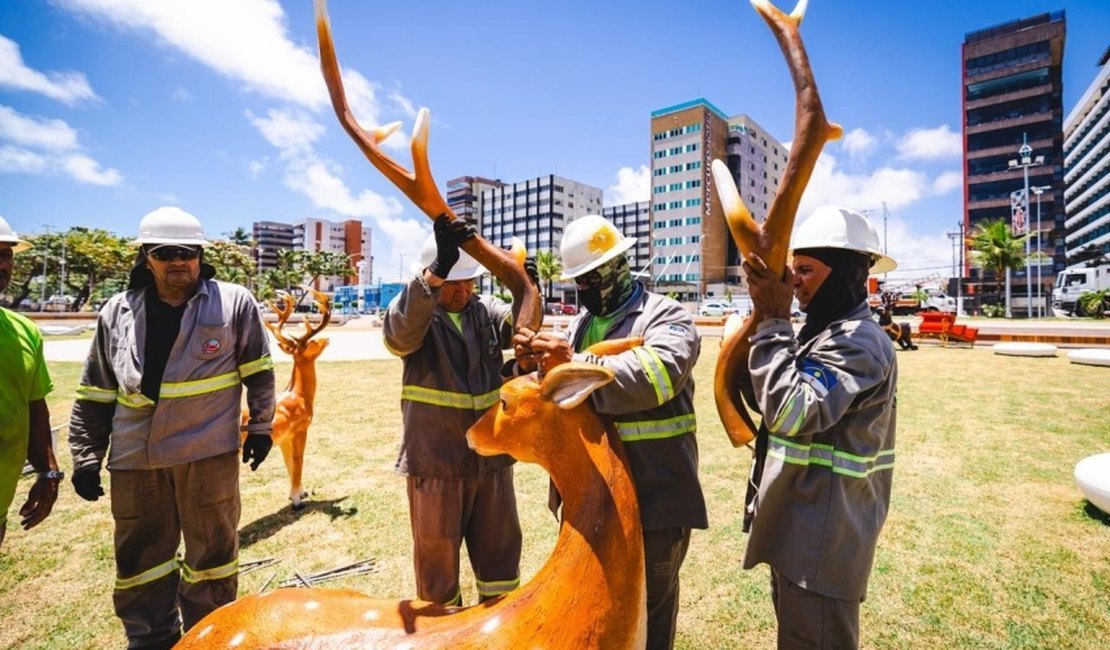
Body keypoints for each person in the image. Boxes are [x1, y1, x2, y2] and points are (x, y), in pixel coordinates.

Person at [68, 206, 275, 649]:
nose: (178, 261)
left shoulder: (233, 302)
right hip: (135, 459)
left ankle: (209, 639)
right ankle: (150, 640)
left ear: (201, 255)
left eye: (187, 252)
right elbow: (96, 393)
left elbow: (258, 369)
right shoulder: (116, 312)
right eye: (165, 252)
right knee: (141, 563)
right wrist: (85, 456)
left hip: (206, 455)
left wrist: (261, 425)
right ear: (147, 257)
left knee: (212, 562)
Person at [513, 214, 706, 650]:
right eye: (578, 281)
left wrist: (574, 366)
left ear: (621, 265)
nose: (585, 290)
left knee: (647, 614)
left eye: (591, 278)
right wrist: (532, 365)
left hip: (654, 496)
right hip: (591, 497)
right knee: (595, 606)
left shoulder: (666, 317)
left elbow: (658, 376)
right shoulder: (581, 324)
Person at [740, 205, 898, 649]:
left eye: (806, 270)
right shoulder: (820, 333)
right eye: (793, 271)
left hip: (824, 539)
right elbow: (767, 400)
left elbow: (791, 412)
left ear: (849, 273)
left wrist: (773, 319)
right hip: (801, 526)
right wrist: (762, 323)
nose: (795, 283)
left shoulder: (860, 342)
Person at [381, 215, 523, 607]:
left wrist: (527, 288)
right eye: (454, 281)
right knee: (437, 573)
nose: (464, 290)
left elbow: (519, 327)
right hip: (436, 463)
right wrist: (435, 274)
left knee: (501, 564)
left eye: (469, 281)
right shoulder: (415, 311)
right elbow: (399, 336)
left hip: (491, 461)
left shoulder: (483, 310)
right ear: (437, 277)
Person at [0, 215, 61, 549]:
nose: (2, 264)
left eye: (6, 254)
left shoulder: (23, 331)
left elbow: (35, 406)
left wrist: (48, 472)